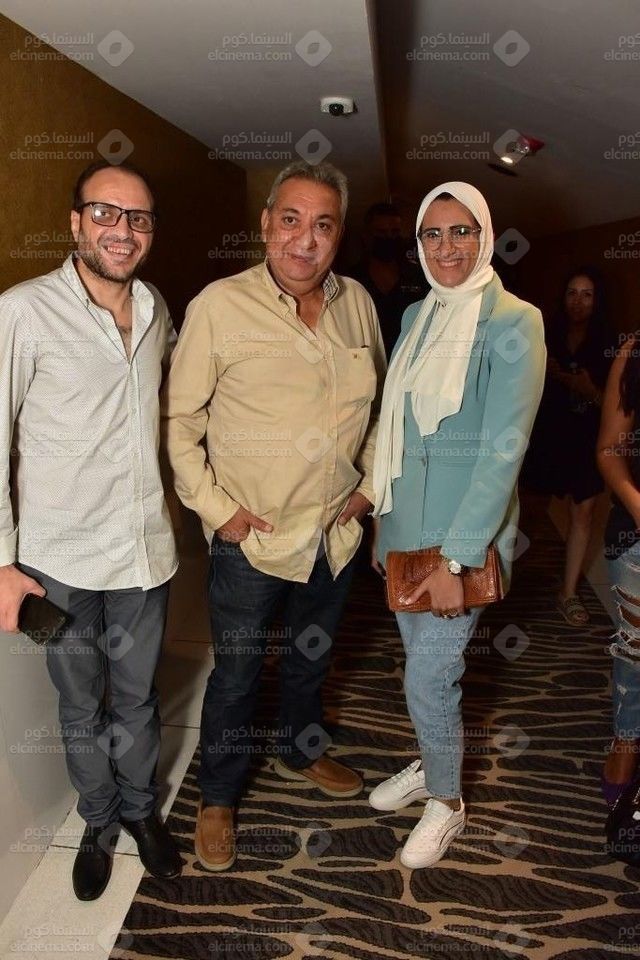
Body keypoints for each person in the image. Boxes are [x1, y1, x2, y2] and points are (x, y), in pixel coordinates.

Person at [162, 160, 385, 872]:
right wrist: (218, 510)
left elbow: (382, 408)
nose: (304, 241)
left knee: (310, 658)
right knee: (236, 675)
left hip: (334, 533)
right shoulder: (219, 306)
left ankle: (299, 749)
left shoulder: (358, 305)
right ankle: (217, 796)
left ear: (338, 235)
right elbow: (178, 421)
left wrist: (368, 487)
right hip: (251, 540)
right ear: (265, 225)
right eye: (290, 220)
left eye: (323, 225)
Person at [0, 161, 182, 900]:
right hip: (60, 560)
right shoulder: (22, 311)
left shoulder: (157, 308)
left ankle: (141, 812)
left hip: (143, 549)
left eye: (138, 218)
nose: (122, 230)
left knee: (137, 697)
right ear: (75, 221)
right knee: (82, 705)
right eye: (106, 213)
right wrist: (1, 562)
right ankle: (99, 822)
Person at [368, 181, 546, 868]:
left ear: (486, 236)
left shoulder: (515, 321)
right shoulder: (418, 316)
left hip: (460, 544)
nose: (447, 247)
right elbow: (396, 427)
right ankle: (429, 762)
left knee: (430, 678)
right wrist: (384, 525)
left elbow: (504, 450)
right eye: (433, 233)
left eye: (462, 231)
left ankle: (447, 802)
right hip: (405, 533)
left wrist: (457, 559)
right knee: (418, 670)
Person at [523, 268, 612, 625]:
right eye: (572, 293)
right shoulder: (544, 333)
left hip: (587, 438)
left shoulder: (609, 344)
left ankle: (568, 592)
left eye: (587, 294)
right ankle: (507, 575)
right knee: (528, 507)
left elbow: (615, 406)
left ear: (597, 300)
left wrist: (588, 390)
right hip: (546, 433)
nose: (578, 301)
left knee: (583, 513)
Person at [597, 336, 640, 805]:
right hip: (636, 534)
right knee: (636, 652)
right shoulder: (633, 352)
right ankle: (626, 743)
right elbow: (609, 449)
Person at [348, 202, 428, 357]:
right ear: (367, 236)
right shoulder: (353, 280)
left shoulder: (418, 276)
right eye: (381, 232)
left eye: (394, 232)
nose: (389, 238)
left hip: (410, 358)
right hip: (366, 361)